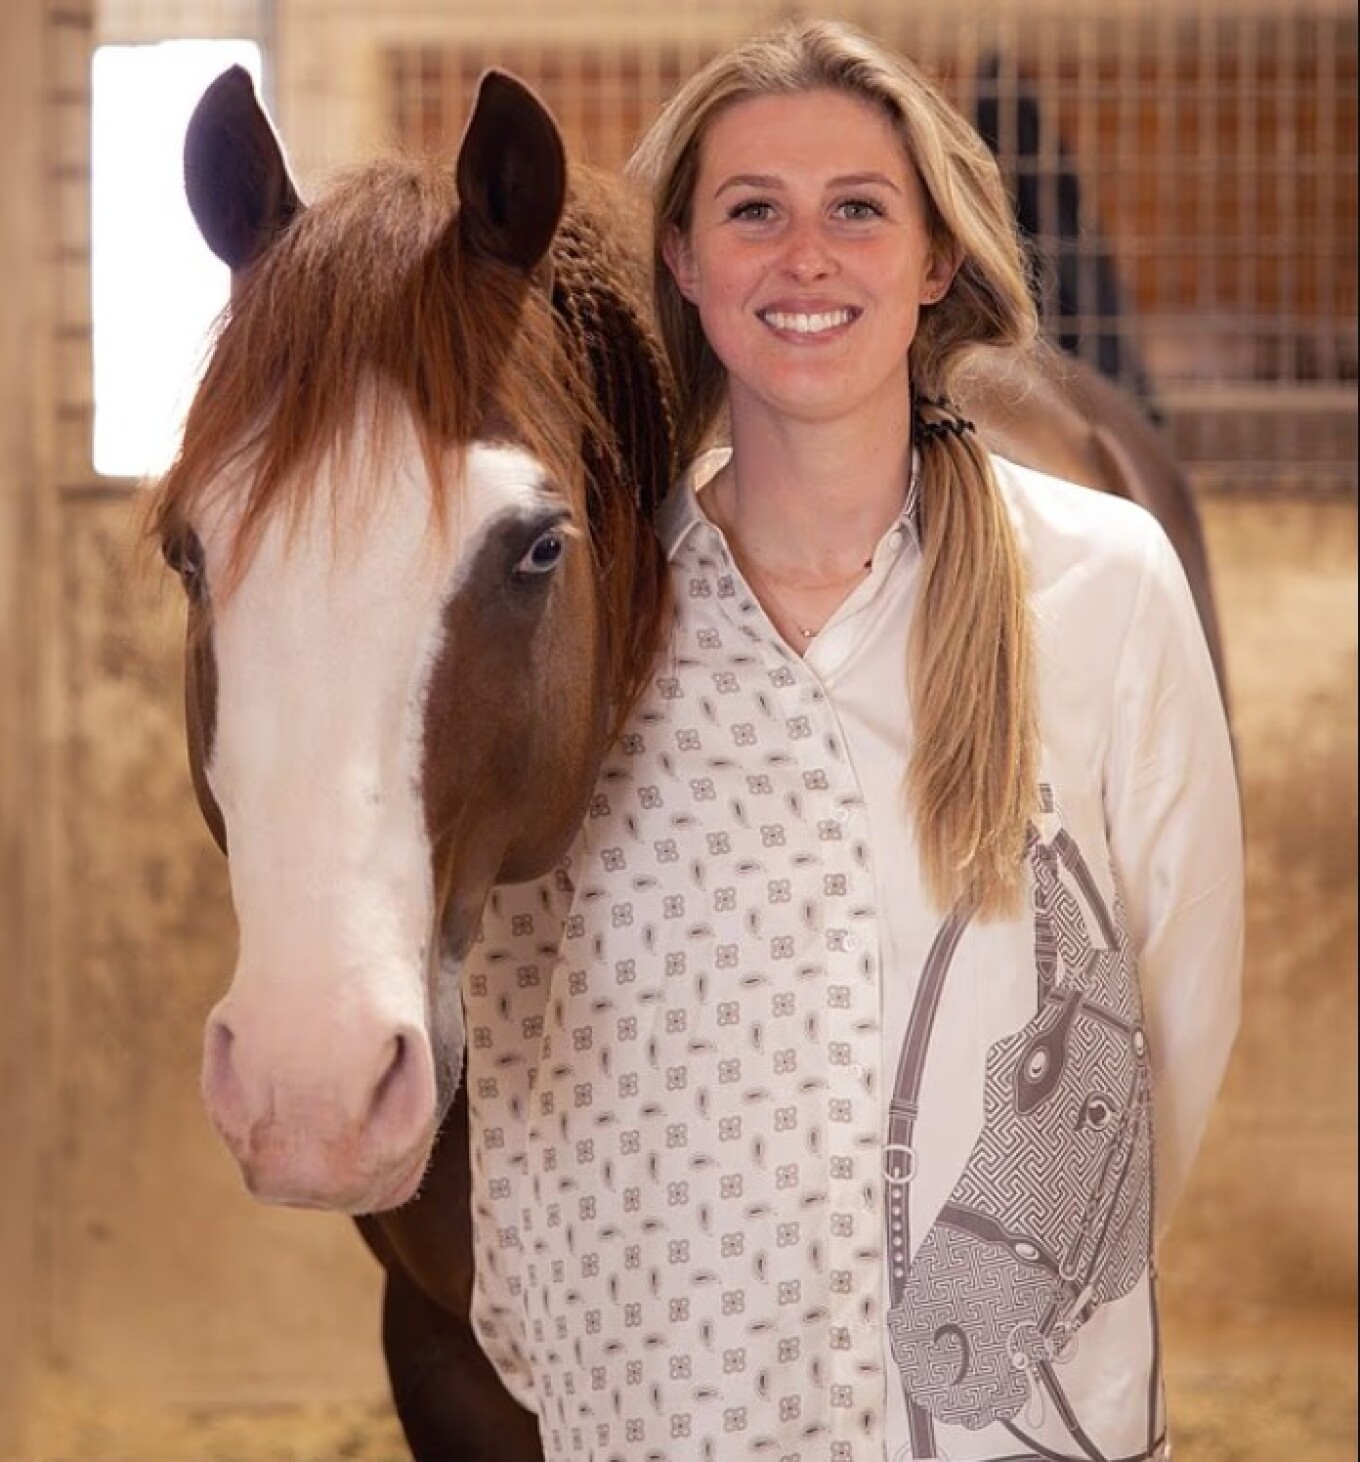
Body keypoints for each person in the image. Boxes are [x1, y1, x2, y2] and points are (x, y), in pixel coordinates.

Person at [463, 19, 1243, 1462]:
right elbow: (515, 1022)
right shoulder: (603, 621)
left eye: (860, 210)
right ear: (685, 260)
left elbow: (1180, 1010)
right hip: (679, 1404)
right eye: (753, 211)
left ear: (934, 257)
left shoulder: (1105, 584)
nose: (806, 257)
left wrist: (1041, 1300)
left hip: (1005, 1416)